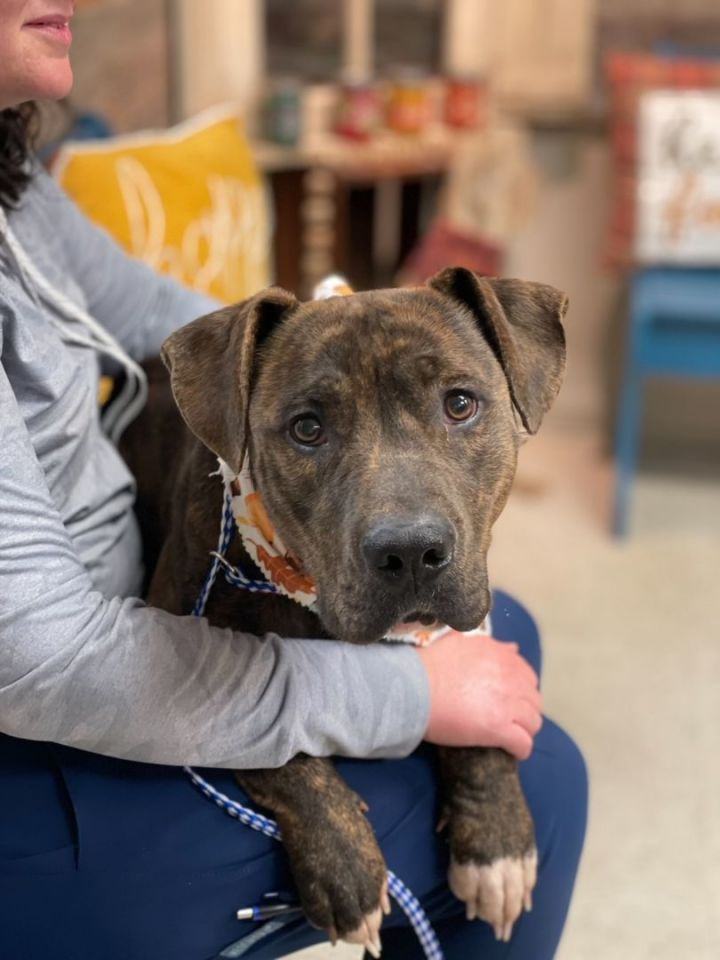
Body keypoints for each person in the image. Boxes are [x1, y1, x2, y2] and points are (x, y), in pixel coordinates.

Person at [0, 4, 588, 958]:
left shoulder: (9, 188)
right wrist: (414, 703)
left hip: (114, 650)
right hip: (57, 752)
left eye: (462, 407)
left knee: (509, 638)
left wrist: (326, 341)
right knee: (550, 776)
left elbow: (157, 311)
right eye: (308, 429)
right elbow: (41, 662)